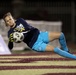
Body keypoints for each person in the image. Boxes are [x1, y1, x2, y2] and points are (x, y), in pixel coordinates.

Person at [3, 12, 76, 59]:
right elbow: (10, 47)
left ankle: (67, 51)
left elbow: (27, 27)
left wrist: (21, 34)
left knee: (61, 35)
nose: (10, 21)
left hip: (40, 34)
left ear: (13, 18)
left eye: (10, 19)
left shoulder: (20, 20)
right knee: (56, 49)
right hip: (35, 44)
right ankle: (74, 57)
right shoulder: (10, 33)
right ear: (6, 23)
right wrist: (11, 40)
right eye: (7, 21)